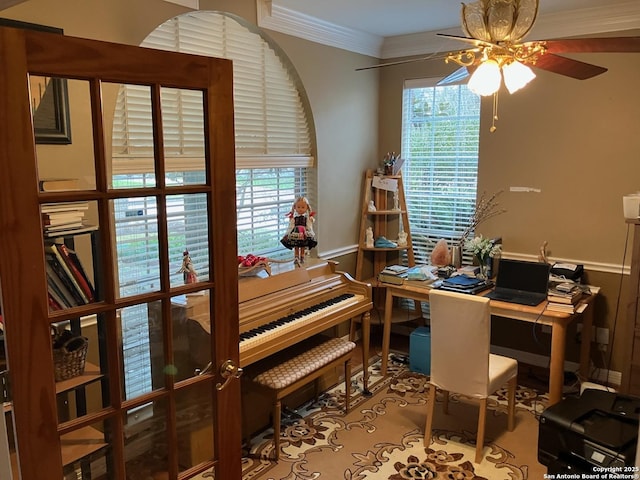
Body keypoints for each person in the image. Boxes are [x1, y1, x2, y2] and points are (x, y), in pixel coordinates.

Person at [281, 196, 317, 263]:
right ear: (295, 207)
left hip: (303, 234)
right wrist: (287, 233)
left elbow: (309, 226)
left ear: (307, 208)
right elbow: (291, 226)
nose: (300, 209)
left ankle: (302, 257)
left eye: (303, 207)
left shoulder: (306, 218)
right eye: (298, 207)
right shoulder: (294, 218)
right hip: (295, 233)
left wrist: (310, 231)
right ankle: (296, 257)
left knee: (302, 246)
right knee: (296, 246)